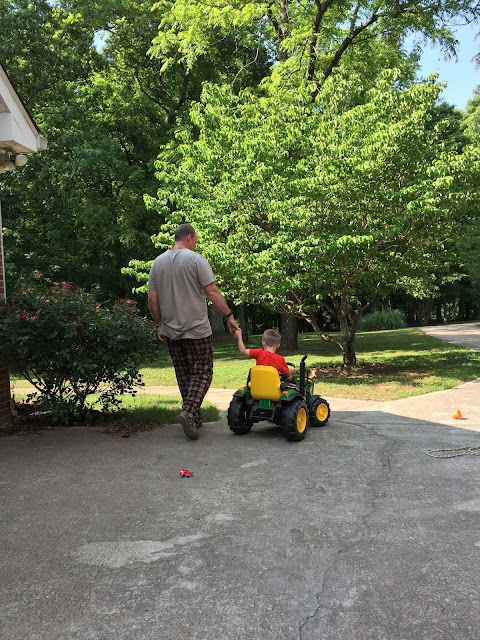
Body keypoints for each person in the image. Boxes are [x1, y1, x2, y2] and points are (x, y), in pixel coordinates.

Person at [148, 223, 239, 440]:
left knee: (184, 376)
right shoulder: (196, 260)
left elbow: (152, 297)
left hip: (171, 331)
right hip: (197, 329)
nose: (195, 245)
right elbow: (212, 291)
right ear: (189, 237)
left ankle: (194, 419)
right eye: (195, 241)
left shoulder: (157, 263)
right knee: (203, 373)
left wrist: (159, 323)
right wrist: (228, 315)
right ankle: (189, 412)